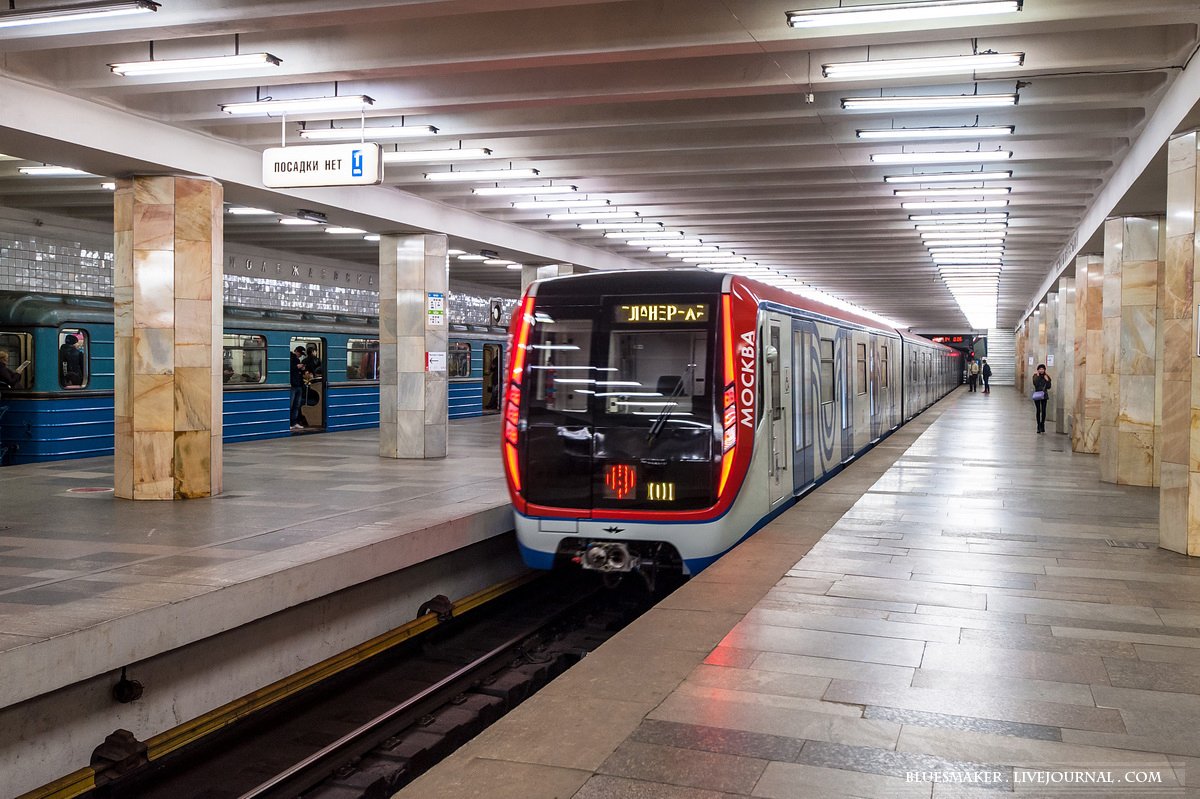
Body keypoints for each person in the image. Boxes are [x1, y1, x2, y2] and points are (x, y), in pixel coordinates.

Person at [290, 345, 309, 429]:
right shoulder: (290, 359)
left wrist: (302, 369)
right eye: (300, 353)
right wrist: (296, 367)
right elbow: (288, 369)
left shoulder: (297, 360)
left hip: (298, 385)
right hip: (293, 385)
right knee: (291, 405)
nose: (300, 355)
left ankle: (294, 422)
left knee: (296, 405)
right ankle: (289, 423)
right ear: (296, 351)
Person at [1032, 363, 1052, 434]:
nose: (1041, 370)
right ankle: (1038, 426)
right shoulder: (1035, 376)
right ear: (1038, 370)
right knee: (1038, 410)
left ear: (1044, 370)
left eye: (1042, 369)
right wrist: (1037, 376)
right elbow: (1035, 384)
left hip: (1044, 396)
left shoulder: (1047, 376)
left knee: (1043, 411)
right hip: (1037, 395)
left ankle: (1042, 424)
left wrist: (1047, 380)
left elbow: (1049, 386)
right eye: (1040, 369)